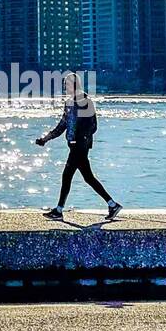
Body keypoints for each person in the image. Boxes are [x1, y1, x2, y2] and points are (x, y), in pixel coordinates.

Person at [35, 73, 121, 222]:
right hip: (74, 146)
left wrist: (80, 139)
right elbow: (62, 125)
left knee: (67, 176)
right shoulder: (69, 103)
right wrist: (45, 139)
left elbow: (93, 126)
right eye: (64, 85)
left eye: (67, 84)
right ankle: (112, 204)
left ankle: (59, 210)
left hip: (80, 147)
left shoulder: (86, 101)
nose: (64, 87)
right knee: (88, 178)